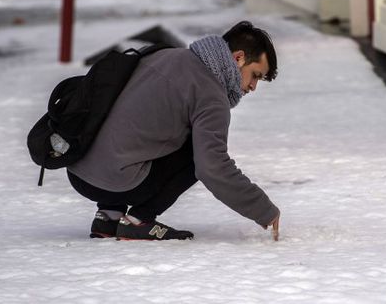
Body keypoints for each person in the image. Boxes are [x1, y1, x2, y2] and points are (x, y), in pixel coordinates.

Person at [66, 21, 280, 241]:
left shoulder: (164, 55)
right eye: (255, 75)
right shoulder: (211, 95)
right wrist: (263, 209)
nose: (253, 87)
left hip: (79, 171)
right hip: (116, 183)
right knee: (200, 152)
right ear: (238, 58)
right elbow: (213, 168)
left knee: (136, 128)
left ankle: (109, 216)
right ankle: (139, 220)